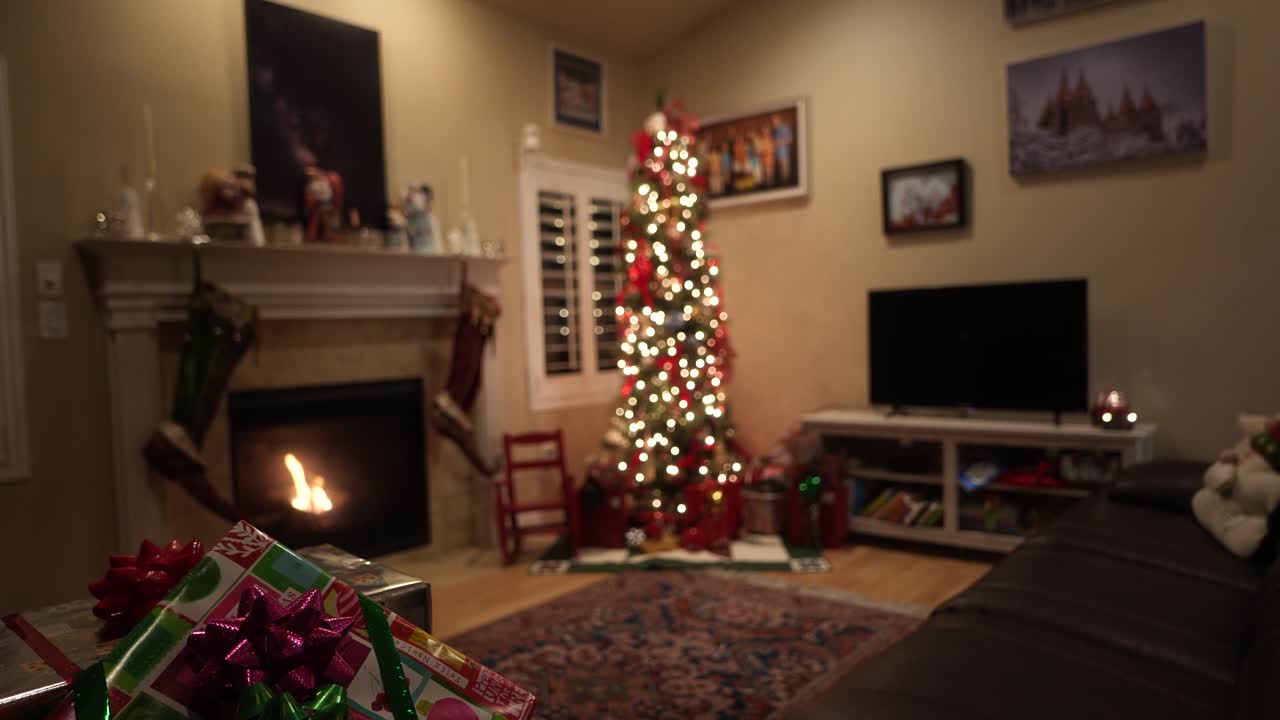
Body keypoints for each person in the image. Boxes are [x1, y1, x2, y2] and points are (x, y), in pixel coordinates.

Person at [772, 114, 795, 183]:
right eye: (772, 121)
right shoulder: (775, 130)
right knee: (780, 175)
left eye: (774, 120)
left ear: (779, 120)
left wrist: (779, 143)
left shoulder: (785, 128)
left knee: (785, 175)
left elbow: (790, 140)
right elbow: (775, 142)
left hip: (784, 154)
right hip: (777, 154)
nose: (773, 122)